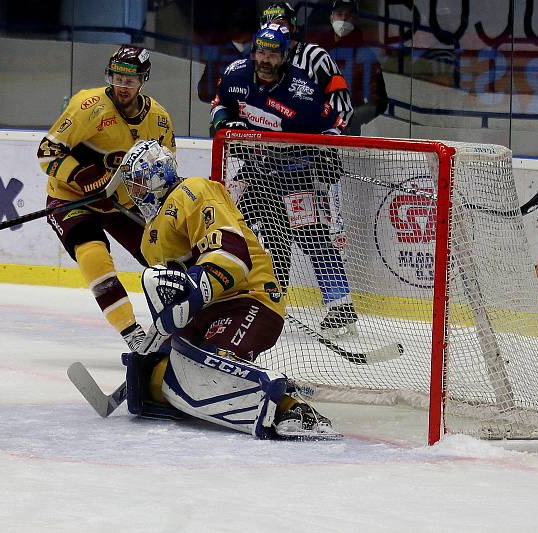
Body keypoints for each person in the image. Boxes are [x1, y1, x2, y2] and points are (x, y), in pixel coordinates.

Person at [117, 139, 338, 440]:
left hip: (250, 299)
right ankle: (253, 383)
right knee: (160, 379)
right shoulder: (149, 237)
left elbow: (232, 253)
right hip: (207, 311)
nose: (135, 192)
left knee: (207, 370)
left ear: (159, 174)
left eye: (140, 182)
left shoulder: (193, 190)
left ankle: (292, 407)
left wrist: (193, 292)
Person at [210, 22, 359, 338]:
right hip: (255, 169)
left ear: (286, 56)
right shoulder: (236, 73)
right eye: (261, 52)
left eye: (273, 54)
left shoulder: (302, 92)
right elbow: (220, 103)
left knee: (310, 235)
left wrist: (327, 151)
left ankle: (341, 307)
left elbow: (335, 123)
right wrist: (223, 120)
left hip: (294, 173)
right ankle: (219, 294)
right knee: (227, 223)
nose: (265, 60)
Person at [37, 45, 175, 352]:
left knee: (164, 261)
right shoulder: (88, 106)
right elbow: (47, 152)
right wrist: (82, 177)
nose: (122, 86)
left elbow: (166, 169)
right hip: (71, 200)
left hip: (122, 204)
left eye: (130, 80)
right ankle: (132, 334)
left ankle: (178, 328)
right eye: (117, 77)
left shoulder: (160, 120)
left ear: (143, 80)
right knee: (94, 258)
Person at [311, 0, 387, 135]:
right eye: (339, 14)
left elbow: (379, 102)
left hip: (346, 131)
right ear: (331, 17)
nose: (344, 18)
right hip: (314, 124)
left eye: (349, 15)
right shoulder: (315, 50)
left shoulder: (366, 55)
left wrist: (351, 119)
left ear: (355, 19)